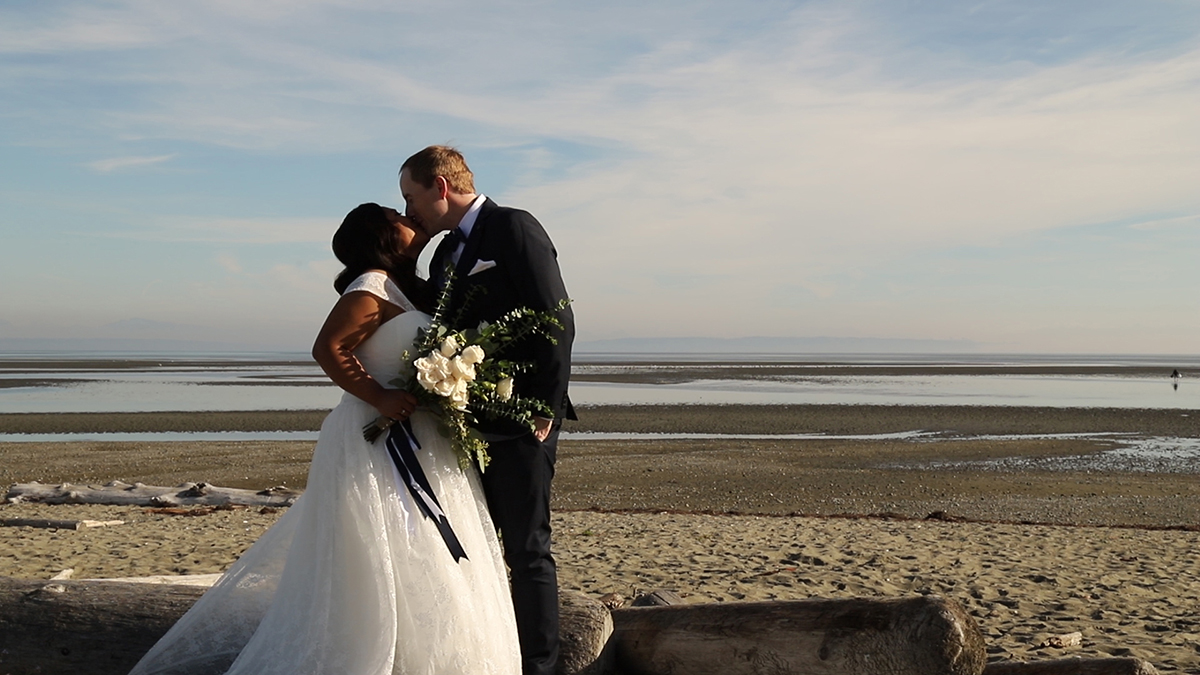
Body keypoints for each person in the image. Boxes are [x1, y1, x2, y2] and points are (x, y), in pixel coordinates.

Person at [128, 203, 521, 675]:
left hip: (417, 434)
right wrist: (378, 396)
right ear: (381, 236)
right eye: (397, 215)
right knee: (380, 550)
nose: (408, 217)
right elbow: (329, 347)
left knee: (422, 548)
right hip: (377, 441)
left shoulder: (405, 287)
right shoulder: (371, 285)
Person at [399, 146, 575, 675]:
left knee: (526, 548)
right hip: (466, 419)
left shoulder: (514, 228)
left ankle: (540, 667)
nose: (409, 211)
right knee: (476, 544)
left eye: (411, 197)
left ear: (440, 187)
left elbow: (555, 317)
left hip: (524, 417)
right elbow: (436, 319)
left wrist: (543, 404)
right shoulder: (442, 253)